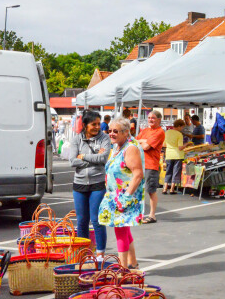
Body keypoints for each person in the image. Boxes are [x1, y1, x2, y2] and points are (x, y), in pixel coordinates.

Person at [99, 117, 144, 269]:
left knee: (120, 231)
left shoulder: (130, 148)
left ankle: (122, 269)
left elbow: (138, 174)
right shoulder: (119, 146)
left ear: (126, 132)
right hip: (116, 195)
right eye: (109, 130)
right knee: (124, 229)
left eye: (115, 131)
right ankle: (133, 263)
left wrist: (125, 198)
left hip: (124, 196)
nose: (111, 134)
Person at [68, 109, 110, 256]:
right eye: (94, 124)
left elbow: (103, 159)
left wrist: (84, 156)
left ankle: (100, 253)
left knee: (97, 220)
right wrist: (94, 159)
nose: (97, 127)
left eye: (99, 124)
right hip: (79, 185)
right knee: (81, 221)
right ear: (85, 125)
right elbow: (72, 161)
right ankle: (83, 253)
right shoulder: (76, 139)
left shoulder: (104, 138)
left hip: (97, 184)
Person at [137, 111, 166, 224]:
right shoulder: (145, 130)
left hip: (151, 165)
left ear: (159, 119)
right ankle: (140, 213)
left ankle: (152, 215)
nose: (150, 120)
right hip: (140, 164)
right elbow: (134, 141)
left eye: (153, 118)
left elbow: (146, 147)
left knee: (151, 190)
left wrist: (143, 142)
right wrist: (143, 140)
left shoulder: (159, 132)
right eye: (149, 118)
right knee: (139, 190)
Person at [163, 119, 188, 194]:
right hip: (177, 155)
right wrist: (187, 144)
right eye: (182, 127)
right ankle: (172, 189)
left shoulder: (166, 132)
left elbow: (164, 145)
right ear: (179, 126)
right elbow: (180, 147)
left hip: (169, 154)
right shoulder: (179, 134)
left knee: (168, 172)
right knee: (175, 172)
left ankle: (165, 188)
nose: (182, 129)